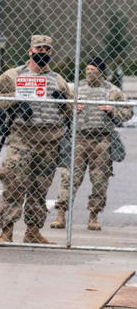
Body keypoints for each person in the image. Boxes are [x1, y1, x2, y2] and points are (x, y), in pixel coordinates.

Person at [0, 35, 72, 244]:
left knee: (39, 189)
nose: (42, 52)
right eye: (38, 48)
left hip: (49, 142)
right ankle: (6, 232)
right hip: (22, 140)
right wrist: (15, 99)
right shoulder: (13, 75)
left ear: (50, 53)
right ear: (30, 51)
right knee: (14, 185)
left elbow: (70, 111)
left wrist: (63, 102)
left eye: (46, 49)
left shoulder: (58, 80)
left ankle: (33, 232)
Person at [50, 57, 133, 231]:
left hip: (101, 142)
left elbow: (128, 113)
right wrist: (72, 109)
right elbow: (61, 111)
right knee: (69, 178)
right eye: (87, 69)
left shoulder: (112, 91)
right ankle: (61, 215)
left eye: (93, 70)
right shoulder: (76, 89)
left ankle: (93, 216)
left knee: (100, 181)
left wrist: (113, 110)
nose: (89, 73)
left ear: (101, 72)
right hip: (78, 140)